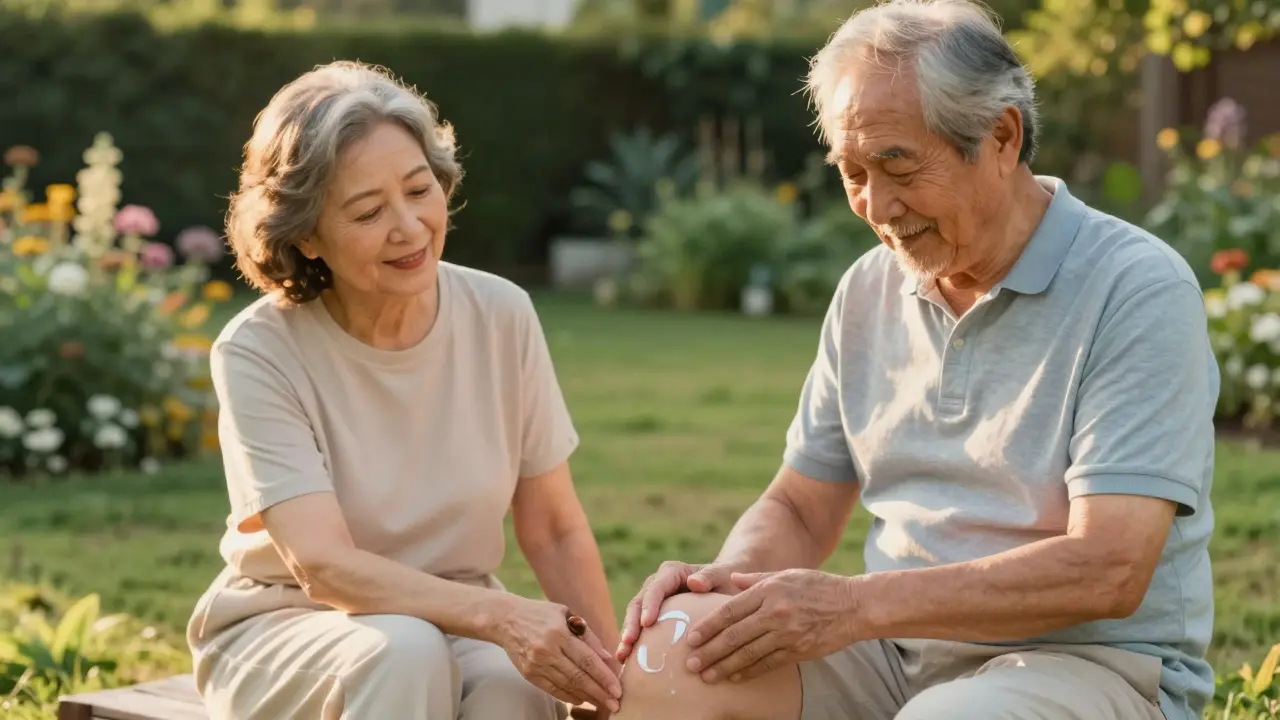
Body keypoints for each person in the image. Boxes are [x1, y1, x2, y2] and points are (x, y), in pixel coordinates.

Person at [614, 1, 1219, 719]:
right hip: (895, 649)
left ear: (1001, 136)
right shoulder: (869, 288)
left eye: (897, 165)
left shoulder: (1136, 288)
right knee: (668, 662)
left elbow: (1109, 568)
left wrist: (856, 604)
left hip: (1086, 664)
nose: (876, 204)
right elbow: (801, 507)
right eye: (852, 171)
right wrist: (726, 581)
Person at [185, 60, 622, 719]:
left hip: (458, 620)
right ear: (305, 235)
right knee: (405, 651)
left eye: (420, 190)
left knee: (525, 683)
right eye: (367, 211)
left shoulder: (502, 315)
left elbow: (555, 529)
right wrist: (503, 614)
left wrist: (610, 683)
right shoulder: (259, 350)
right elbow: (323, 566)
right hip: (286, 627)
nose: (410, 228)